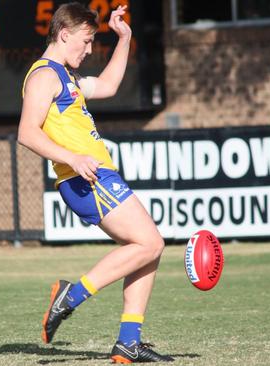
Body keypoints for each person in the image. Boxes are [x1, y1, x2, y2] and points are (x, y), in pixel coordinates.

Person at [18, 3, 172, 363]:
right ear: (64, 34)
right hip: (85, 176)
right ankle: (70, 297)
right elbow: (26, 132)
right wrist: (71, 158)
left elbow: (109, 84)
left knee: (146, 249)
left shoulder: (65, 77)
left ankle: (128, 342)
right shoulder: (45, 76)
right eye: (86, 42)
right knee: (151, 242)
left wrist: (125, 37)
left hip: (95, 174)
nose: (88, 50)